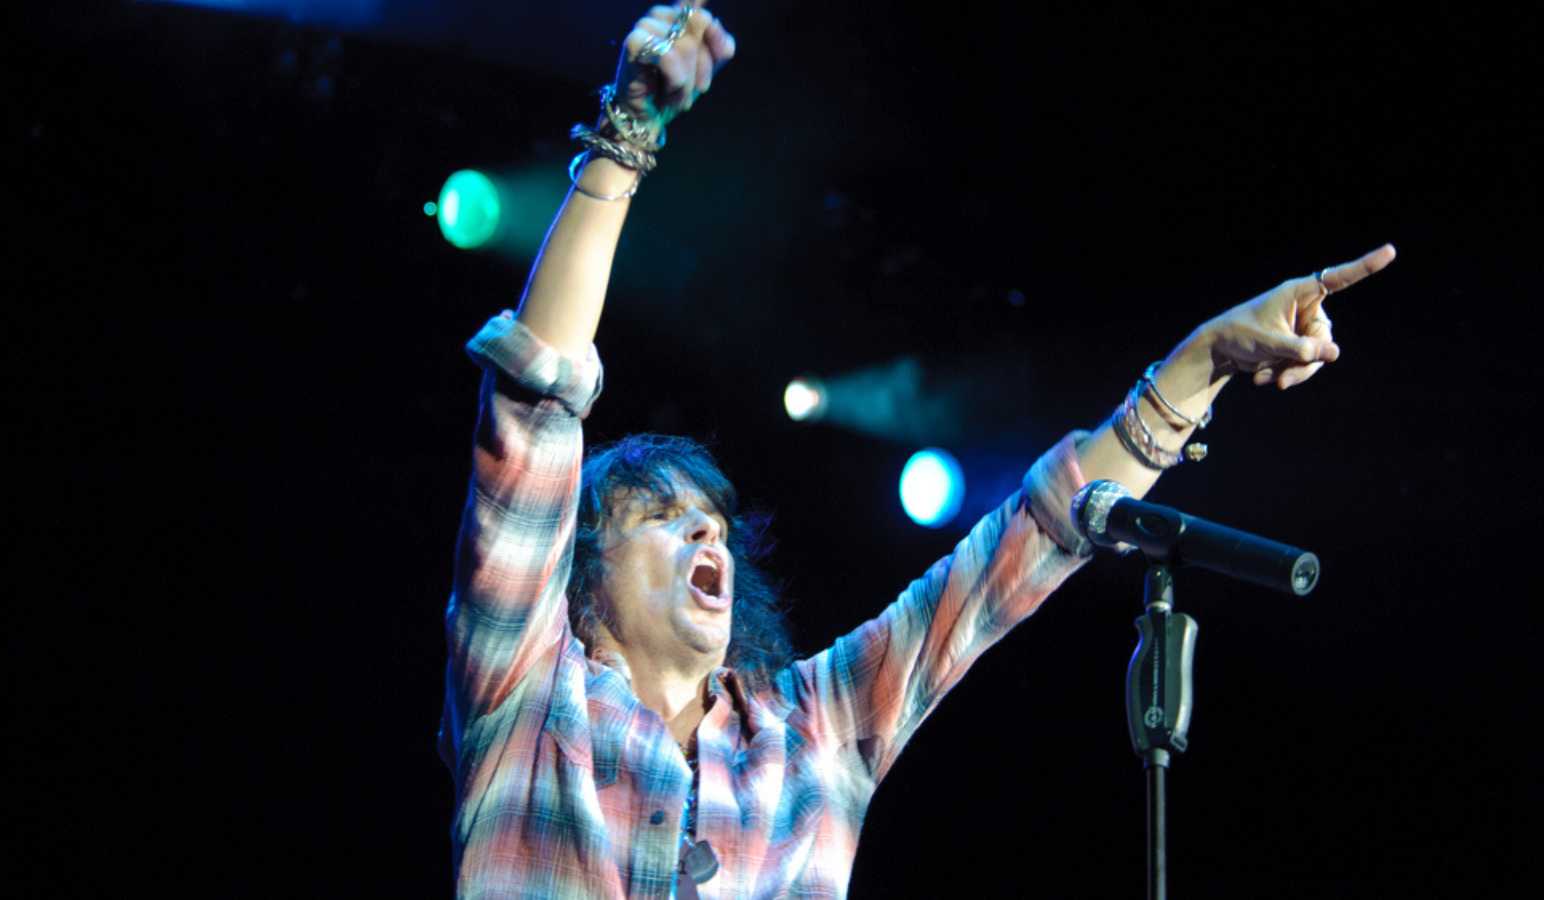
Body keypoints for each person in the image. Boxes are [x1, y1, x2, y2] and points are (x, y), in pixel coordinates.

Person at [435, 3, 1395, 897]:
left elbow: (1024, 549)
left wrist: (1202, 362)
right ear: (581, 580)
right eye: (660, 515)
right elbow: (536, 402)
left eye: (713, 521)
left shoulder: (814, 732)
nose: (703, 531)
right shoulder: (526, 700)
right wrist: (628, 135)